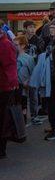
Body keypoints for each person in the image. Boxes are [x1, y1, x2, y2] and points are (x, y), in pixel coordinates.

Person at [0, 27, 18, 158]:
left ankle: (2, 148)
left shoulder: (5, 44)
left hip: (4, 87)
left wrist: (12, 83)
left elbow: (11, 66)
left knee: (3, 118)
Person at [15, 35, 36, 125]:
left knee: (23, 104)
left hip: (23, 86)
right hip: (13, 86)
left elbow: (33, 72)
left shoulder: (28, 58)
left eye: (16, 45)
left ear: (22, 45)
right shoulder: (12, 56)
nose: (14, 46)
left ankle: (23, 122)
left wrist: (27, 81)